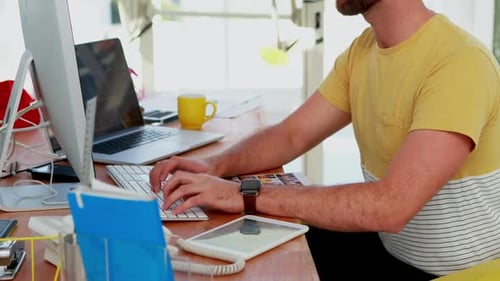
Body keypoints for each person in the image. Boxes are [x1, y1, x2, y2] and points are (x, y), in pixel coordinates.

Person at [150, 0, 500, 279]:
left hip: (460, 273)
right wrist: (214, 165)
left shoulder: (459, 62)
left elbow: (391, 206)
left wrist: (242, 194)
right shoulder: (363, 52)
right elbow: (291, 134)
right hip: (394, 250)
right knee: (264, 257)